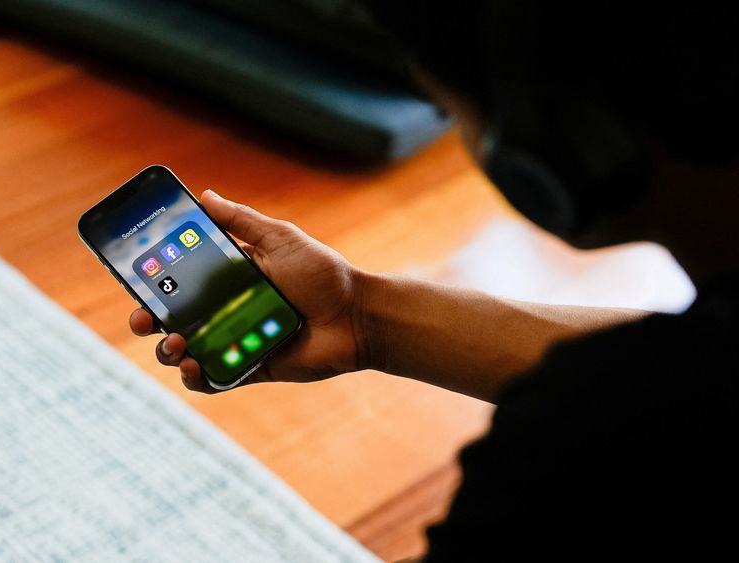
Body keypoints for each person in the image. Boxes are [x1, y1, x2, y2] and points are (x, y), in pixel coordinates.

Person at [129, 1, 738, 559]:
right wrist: (364, 315)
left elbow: (644, 396)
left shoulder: (581, 456)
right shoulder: (662, 394)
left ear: (562, 149)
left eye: (451, 113)